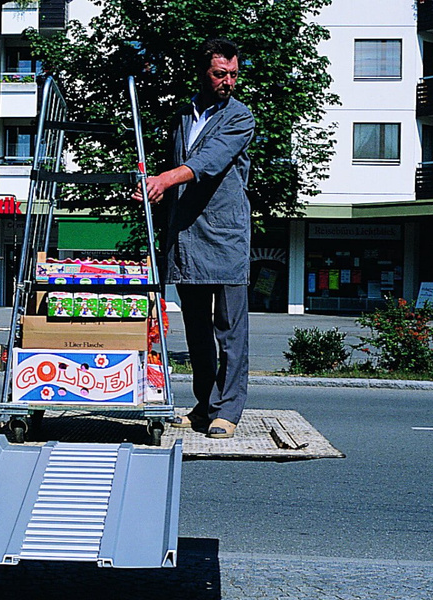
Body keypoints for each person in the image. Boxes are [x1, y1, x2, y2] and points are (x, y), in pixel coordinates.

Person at [133, 37, 254, 438]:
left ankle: (229, 410)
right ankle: (205, 404)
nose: (229, 81)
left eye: (234, 74)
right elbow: (178, 165)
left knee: (230, 330)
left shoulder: (240, 117)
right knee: (198, 331)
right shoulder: (184, 115)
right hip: (187, 236)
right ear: (204, 72)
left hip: (226, 235)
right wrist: (156, 188)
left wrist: (167, 177)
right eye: (221, 74)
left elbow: (208, 161)